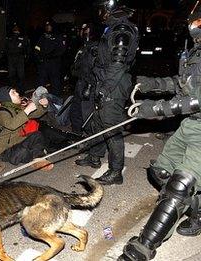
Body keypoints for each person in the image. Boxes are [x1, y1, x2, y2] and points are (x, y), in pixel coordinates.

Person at [118, 4, 201, 260]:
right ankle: (196, 209)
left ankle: (141, 249)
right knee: (160, 172)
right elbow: (183, 85)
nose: (195, 26)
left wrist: (154, 109)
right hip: (191, 124)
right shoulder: (195, 52)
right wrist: (151, 84)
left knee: (180, 186)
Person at [75, 0, 139, 185]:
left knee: (111, 128)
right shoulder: (112, 28)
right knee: (97, 122)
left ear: (110, 8)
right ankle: (94, 156)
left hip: (114, 84)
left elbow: (117, 65)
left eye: (102, 8)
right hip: (104, 80)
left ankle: (116, 171)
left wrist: (104, 89)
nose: (100, 12)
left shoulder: (121, 30)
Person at [0, 86, 53, 170]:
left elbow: (36, 114)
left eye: (16, 92)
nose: (17, 93)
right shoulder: (2, 112)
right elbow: (11, 125)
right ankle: (34, 158)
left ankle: (39, 159)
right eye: (13, 93)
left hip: (15, 142)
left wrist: (44, 106)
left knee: (37, 135)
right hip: (1, 151)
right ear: (7, 98)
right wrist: (27, 110)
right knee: (23, 152)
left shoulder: (16, 109)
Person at [69, 23, 99, 134]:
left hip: (90, 86)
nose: (82, 32)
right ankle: (77, 135)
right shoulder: (83, 48)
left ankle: (92, 139)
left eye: (85, 30)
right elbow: (75, 66)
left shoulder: (96, 48)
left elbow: (98, 70)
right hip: (80, 84)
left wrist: (92, 83)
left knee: (87, 115)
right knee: (75, 112)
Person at [34, 18, 66, 97]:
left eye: (49, 26)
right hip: (43, 63)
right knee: (41, 82)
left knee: (55, 83)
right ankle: (39, 98)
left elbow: (61, 49)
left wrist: (51, 55)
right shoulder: (43, 36)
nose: (48, 27)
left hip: (54, 63)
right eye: (46, 26)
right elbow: (37, 47)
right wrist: (38, 56)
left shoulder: (58, 36)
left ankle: (56, 100)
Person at [6, 23, 30, 93]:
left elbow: (27, 48)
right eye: (14, 27)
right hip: (11, 58)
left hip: (20, 57)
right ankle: (11, 90)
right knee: (11, 75)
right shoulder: (9, 37)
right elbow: (6, 47)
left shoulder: (23, 37)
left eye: (17, 27)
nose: (15, 28)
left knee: (21, 75)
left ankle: (21, 90)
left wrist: (26, 57)